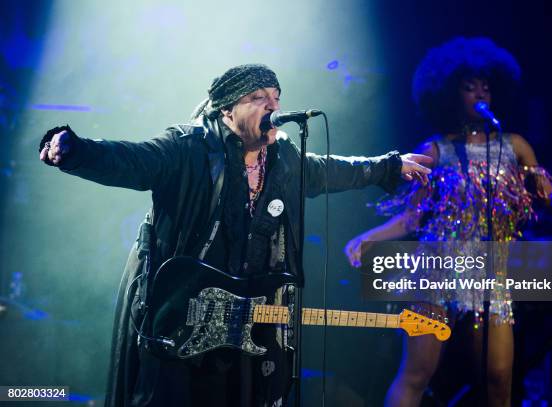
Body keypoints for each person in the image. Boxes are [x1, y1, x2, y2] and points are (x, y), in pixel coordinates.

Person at [39, 64, 432, 407]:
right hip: (181, 315)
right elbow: (131, 160)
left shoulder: (283, 159)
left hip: (246, 320)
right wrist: (76, 151)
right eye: (259, 97)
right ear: (228, 107)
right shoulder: (188, 147)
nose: (273, 107)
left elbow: (333, 169)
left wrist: (388, 166)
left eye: (276, 97)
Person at [344, 38, 552, 407]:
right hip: (438, 267)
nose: (481, 92)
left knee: (497, 378)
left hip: (491, 273)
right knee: (416, 374)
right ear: (448, 92)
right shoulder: (435, 150)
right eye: (469, 86)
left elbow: (547, 194)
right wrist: (370, 237)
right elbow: (413, 215)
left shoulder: (515, 146)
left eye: (486, 86)